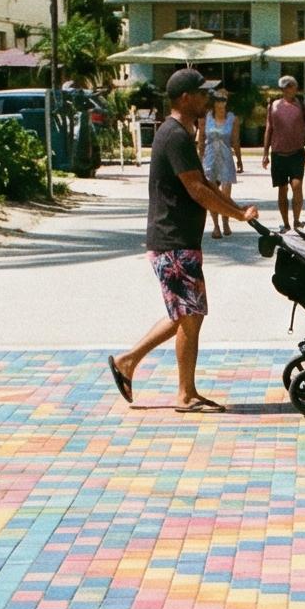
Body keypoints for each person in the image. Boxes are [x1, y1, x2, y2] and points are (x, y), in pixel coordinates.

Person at [107, 70, 262, 414]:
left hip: (178, 240)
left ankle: (133, 364)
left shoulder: (182, 133)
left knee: (186, 314)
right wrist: (236, 217)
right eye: (201, 94)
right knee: (189, 315)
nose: (208, 100)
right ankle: (180, 391)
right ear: (184, 98)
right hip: (172, 241)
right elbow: (195, 189)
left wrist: (238, 209)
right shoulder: (174, 135)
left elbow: (203, 182)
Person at [263, 74, 305, 228]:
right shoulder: (273, 106)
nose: (288, 90)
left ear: (295, 88)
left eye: (290, 87)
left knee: (297, 186)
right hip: (278, 153)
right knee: (282, 189)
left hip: (297, 152)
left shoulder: (302, 106)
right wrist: (265, 154)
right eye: (285, 88)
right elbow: (268, 129)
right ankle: (285, 223)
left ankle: (296, 219)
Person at [200, 92, 240, 238]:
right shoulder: (206, 117)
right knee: (212, 193)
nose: (221, 102)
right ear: (214, 102)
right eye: (218, 100)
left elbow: (235, 140)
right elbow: (201, 139)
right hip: (210, 157)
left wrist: (239, 160)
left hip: (226, 157)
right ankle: (216, 225)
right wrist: (200, 158)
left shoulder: (232, 118)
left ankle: (225, 221)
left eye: (224, 99)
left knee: (226, 193)